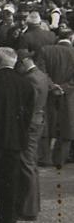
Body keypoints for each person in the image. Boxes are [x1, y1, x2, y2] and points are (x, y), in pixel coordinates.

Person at [0, 48, 33, 223]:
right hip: (15, 137)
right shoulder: (25, 83)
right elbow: (28, 113)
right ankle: (7, 216)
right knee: (10, 179)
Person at [16, 49, 49, 220]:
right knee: (31, 164)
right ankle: (32, 205)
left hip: (31, 123)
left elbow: (29, 105)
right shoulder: (42, 75)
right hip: (39, 120)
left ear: (24, 62)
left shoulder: (30, 79)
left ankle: (28, 209)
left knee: (26, 163)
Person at [37, 28, 74, 167]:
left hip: (48, 93)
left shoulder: (45, 50)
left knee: (47, 124)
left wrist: (52, 86)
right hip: (69, 95)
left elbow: (41, 72)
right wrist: (64, 87)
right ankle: (60, 159)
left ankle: (44, 158)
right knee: (67, 126)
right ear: (71, 38)